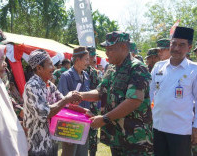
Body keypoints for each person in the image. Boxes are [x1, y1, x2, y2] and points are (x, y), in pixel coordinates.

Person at [80, 31, 153, 155]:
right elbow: (100, 92)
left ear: (124, 47)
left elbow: (133, 101)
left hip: (136, 140)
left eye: (111, 49)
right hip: (117, 137)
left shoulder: (137, 68)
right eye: (106, 49)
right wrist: (80, 95)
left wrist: (104, 119)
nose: (107, 53)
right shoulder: (112, 69)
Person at [22, 49, 81, 156]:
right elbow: (45, 113)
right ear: (39, 68)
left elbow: (65, 104)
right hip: (37, 146)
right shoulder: (32, 86)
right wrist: (67, 99)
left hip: (51, 141)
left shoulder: (49, 85)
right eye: (50, 65)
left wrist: (83, 110)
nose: (53, 68)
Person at [150, 26, 197, 156]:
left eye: (182, 45)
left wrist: (196, 127)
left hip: (181, 131)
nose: (176, 48)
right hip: (158, 127)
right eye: (174, 43)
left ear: (189, 48)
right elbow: (150, 93)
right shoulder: (159, 67)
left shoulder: (194, 70)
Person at [58, 46, 91, 156]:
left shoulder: (86, 75)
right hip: (70, 123)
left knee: (82, 152)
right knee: (70, 152)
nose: (88, 61)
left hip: (84, 121)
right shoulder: (66, 76)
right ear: (77, 60)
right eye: (86, 59)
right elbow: (63, 102)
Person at [86, 46, 100, 156]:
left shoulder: (94, 72)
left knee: (93, 134)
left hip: (93, 108)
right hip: (82, 107)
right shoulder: (78, 70)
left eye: (93, 56)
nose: (93, 58)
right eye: (91, 56)